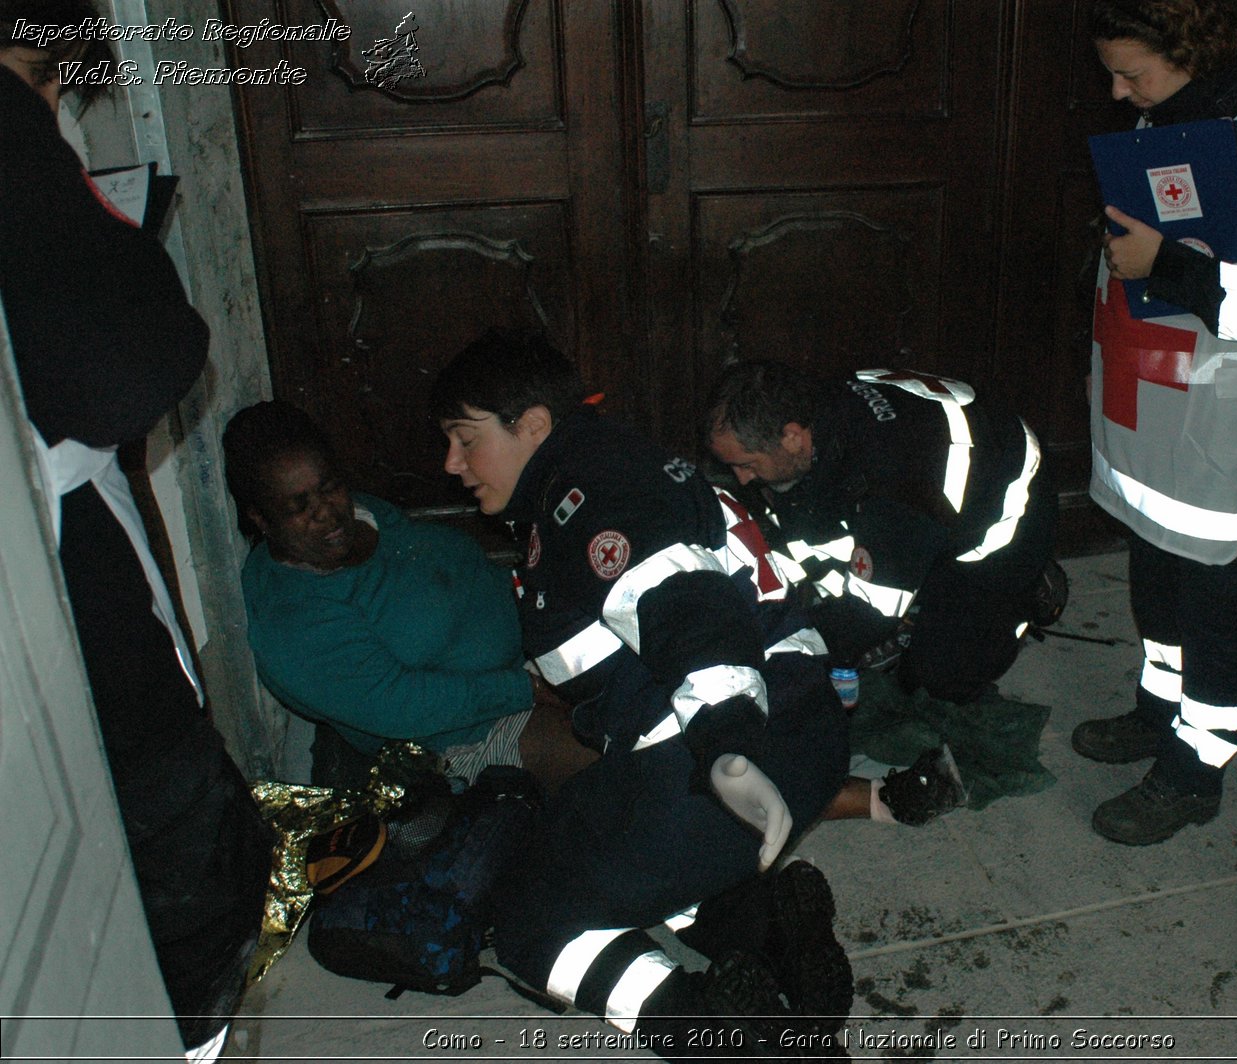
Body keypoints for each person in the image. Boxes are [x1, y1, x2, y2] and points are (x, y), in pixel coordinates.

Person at [430, 330, 853, 1058]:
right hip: (798, 733)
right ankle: (770, 933)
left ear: (532, 424)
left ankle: (728, 1037)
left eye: (466, 439)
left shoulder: (588, 489)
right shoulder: (608, 465)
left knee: (534, 923)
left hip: (729, 753)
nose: (452, 463)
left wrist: (728, 743)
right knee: (609, 850)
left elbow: (680, 602)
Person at [0, 5, 271, 1059]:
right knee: (164, 818)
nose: (53, 107)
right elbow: (128, 364)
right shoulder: (13, 136)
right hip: (59, 571)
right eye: (39, 80)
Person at [1073, 0, 1237, 845]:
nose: (1117, 93)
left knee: (1221, 593)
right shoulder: (1172, 113)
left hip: (1230, 415)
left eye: (1132, 74)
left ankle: (1197, 767)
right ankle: (1159, 708)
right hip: (1161, 406)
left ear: (1189, 49)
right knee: (1157, 567)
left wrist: (1168, 266)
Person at [221, 400, 596, 792]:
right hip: (469, 732)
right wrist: (529, 689)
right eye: (299, 507)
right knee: (613, 747)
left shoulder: (366, 515)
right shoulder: (291, 617)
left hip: (536, 645)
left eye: (330, 487)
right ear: (260, 519)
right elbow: (401, 706)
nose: (327, 513)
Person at [704, 360, 1061, 707]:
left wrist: (777, 645)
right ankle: (914, 590)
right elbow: (804, 538)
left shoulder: (896, 483)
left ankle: (1032, 587)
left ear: (793, 437)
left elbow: (866, 617)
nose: (741, 478)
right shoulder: (811, 415)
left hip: (1003, 518)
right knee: (813, 535)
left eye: (746, 464)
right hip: (929, 504)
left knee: (938, 677)